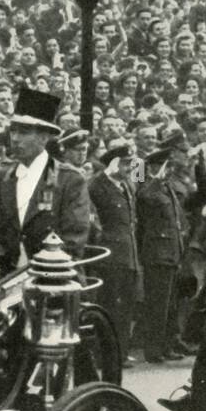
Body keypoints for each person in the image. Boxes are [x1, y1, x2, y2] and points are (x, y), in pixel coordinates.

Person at [0, 88, 91, 275]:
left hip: (55, 276)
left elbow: (73, 239)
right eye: (13, 132)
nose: (15, 139)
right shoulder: (5, 176)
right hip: (8, 277)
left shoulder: (69, 179)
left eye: (24, 133)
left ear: (43, 137)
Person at [136, 131, 190, 363]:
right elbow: (143, 197)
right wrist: (155, 177)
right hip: (157, 254)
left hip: (171, 253)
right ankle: (153, 350)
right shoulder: (149, 186)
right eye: (164, 167)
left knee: (169, 305)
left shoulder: (166, 188)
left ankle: (166, 346)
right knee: (157, 305)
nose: (168, 171)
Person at [88, 138, 141, 364]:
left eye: (131, 163)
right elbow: (93, 220)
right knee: (109, 305)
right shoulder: (96, 185)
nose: (130, 168)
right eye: (126, 163)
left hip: (128, 253)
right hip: (109, 255)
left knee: (125, 307)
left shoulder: (127, 184)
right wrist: (103, 242)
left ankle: (119, 352)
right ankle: (105, 354)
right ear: (114, 163)